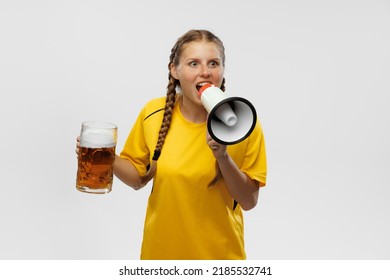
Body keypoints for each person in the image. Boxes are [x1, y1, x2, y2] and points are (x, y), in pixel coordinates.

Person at [77, 29, 267, 260]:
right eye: (193, 63)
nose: (205, 72)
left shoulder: (244, 123)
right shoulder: (153, 114)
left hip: (219, 259)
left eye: (213, 63)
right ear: (174, 70)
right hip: (160, 256)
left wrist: (222, 156)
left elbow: (248, 201)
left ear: (222, 71)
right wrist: (105, 155)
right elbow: (138, 179)